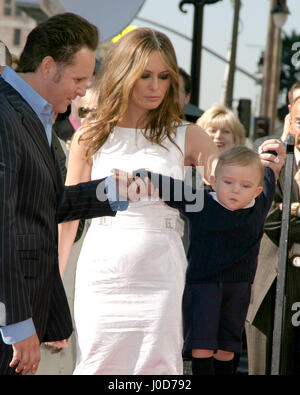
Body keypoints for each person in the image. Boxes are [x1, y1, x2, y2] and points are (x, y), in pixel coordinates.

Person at [58, 27, 221, 375]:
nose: (155, 86)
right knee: (97, 364)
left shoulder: (187, 135)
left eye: (164, 77)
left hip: (161, 274)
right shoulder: (91, 135)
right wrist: (53, 287)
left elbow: (222, 178)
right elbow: (68, 215)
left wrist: (258, 165)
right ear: (123, 73)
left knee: (159, 367)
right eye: (144, 75)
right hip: (102, 270)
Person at [0, 12, 132, 376]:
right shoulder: (4, 114)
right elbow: (2, 225)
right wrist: (16, 323)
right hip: (12, 322)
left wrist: (112, 191)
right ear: (47, 67)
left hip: (28, 312)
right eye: (78, 78)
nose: (82, 90)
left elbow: (46, 202)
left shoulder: (37, 115)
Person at [130, 143, 285, 375]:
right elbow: (173, 189)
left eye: (245, 186)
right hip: (203, 286)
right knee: (201, 346)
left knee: (228, 348)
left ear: (256, 191)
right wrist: (145, 176)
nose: (235, 190)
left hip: (239, 288)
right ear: (213, 181)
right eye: (228, 182)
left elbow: (270, 175)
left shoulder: (260, 205)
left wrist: (275, 159)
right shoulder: (201, 202)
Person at [246, 95, 300, 375]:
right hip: (268, 288)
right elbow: (265, 218)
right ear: (289, 120)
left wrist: (288, 209)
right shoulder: (267, 156)